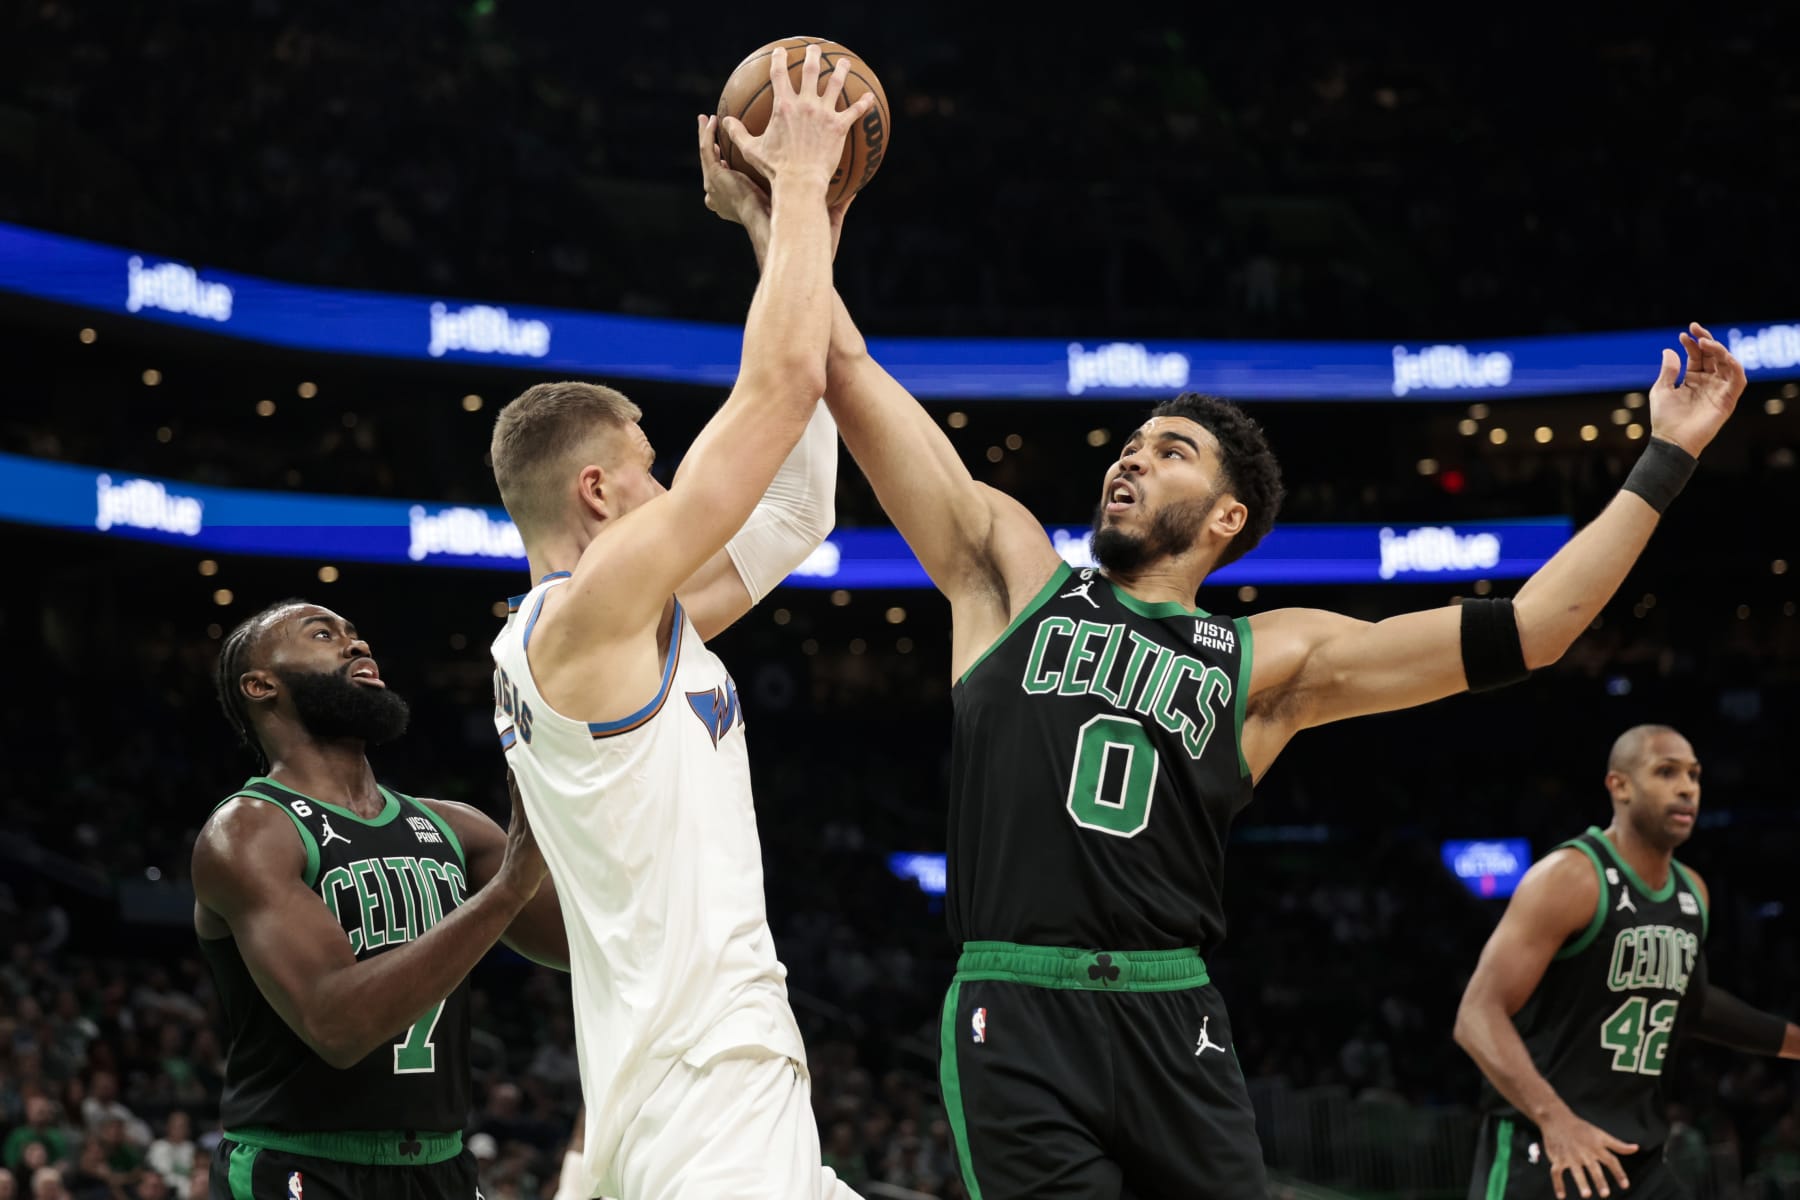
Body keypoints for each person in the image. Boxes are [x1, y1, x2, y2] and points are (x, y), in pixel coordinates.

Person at [700, 141, 1748, 1195]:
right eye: (1132, 443)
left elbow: (1536, 627)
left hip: (1175, 1017)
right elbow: (849, 371)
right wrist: (782, 213)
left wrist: (1668, 456)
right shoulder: (1013, 575)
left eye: (1170, 452)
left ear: (1227, 517)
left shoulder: (1269, 658)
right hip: (1016, 1009)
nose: (1131, 457)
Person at [486, 44, 872, 1200]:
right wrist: (794, 187)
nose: (669, 490)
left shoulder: (625, 629)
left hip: (697, 1093)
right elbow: (777, 388)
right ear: (598, 493)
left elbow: (801, 508)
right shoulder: (582, 617)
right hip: (708, 1108)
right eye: (651, 472)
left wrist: (779, 232)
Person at [196, 598, 565, 1198]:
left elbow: (586, 947)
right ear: (261, 686)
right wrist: (508, 890)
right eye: (323, 634)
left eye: (357, 635)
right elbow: (338, 1024)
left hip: (442, 1165)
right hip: (300, 1167)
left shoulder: (456, 827)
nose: (357, 644)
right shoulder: (250, 832)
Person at [1455, 726, 1800, 1200]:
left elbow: (1692, 1006)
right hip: (1547, 1150)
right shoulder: (1571, 876)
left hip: (1635, 1157)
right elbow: (1476, 1015)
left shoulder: (1691, 892)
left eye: (1694, 775)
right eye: (1666, 772)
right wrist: (1557, 1121)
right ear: (1619, 786)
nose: (1687, 788)